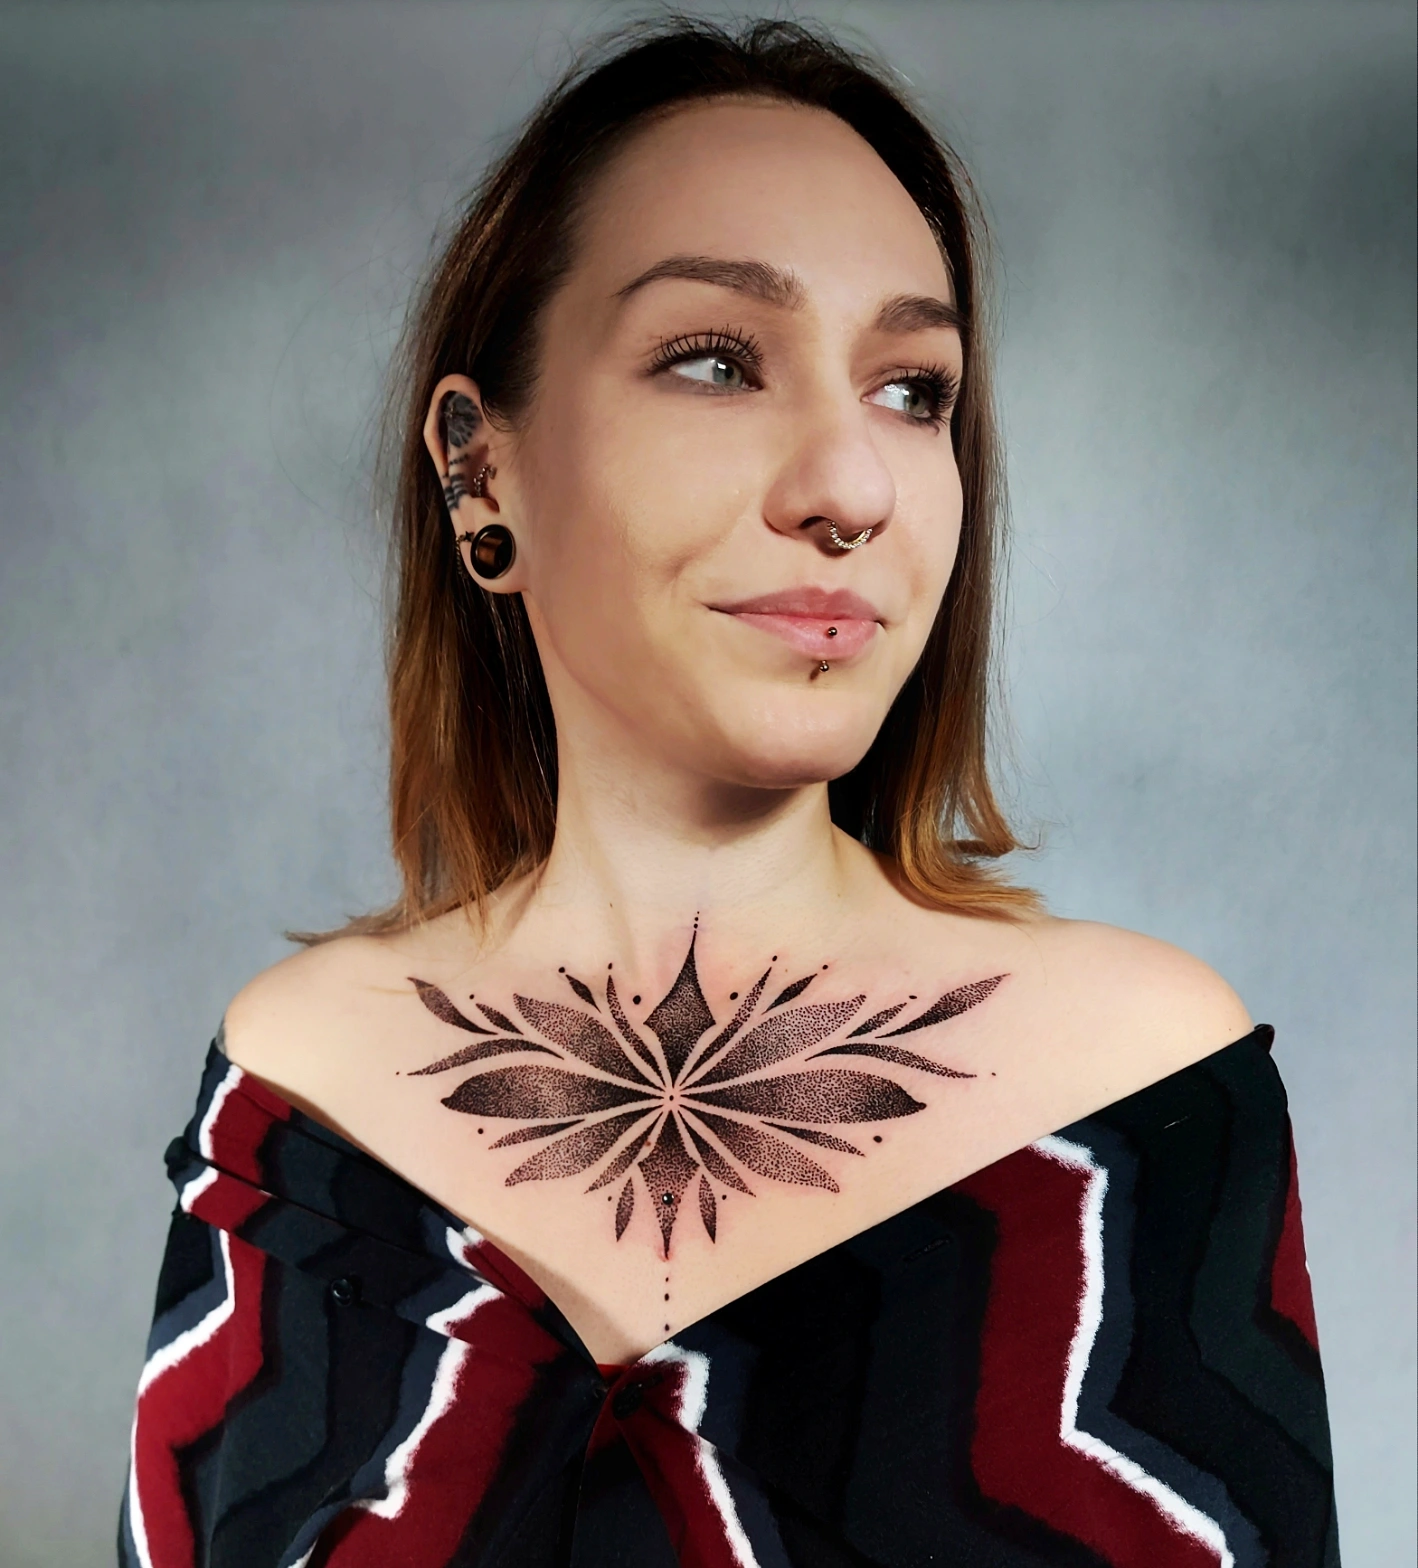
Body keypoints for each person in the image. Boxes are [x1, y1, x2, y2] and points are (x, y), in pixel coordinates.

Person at [119, 18, 1338, 1567]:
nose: (850, 484)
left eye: (913, 390)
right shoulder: (289, 1100)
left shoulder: (1147, 1102)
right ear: (479, 467)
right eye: (714, 362)